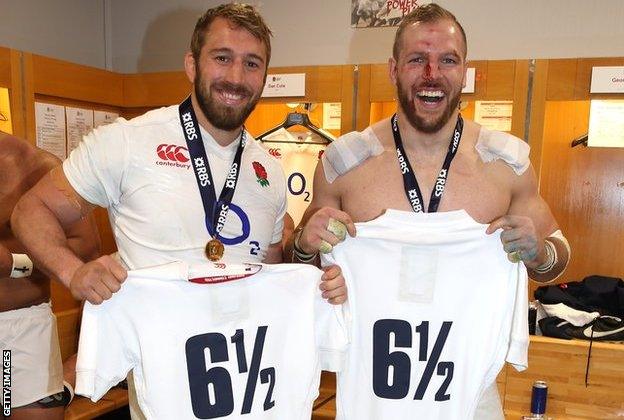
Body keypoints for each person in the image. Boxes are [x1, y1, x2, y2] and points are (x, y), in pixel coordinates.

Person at [12, 4, 346, 418]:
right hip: (168, 395)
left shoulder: (269, 171)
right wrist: (72, 272)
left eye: (252, 64)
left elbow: (275, 269)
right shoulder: (126, 143)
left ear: (264, 75)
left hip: (252, 391)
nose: (236, 77)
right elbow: (31, 210)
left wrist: (314, 271)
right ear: (192, 64)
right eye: (222, 58)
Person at [289, 3, 570, 418]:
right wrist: (305, 250)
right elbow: (303, 268)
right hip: (371, 392)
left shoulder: (505, 164)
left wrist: (538, 251)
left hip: (470, 396)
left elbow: (558, 258)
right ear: (393, 69)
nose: (432, 74)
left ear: (464, 70)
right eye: (417, 59)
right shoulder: (343, 164)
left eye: (447, 60)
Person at [1, 131, 100, 420]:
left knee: (10, 407)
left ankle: (67, 378)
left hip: (12, 334)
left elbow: (86, 251)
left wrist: (13, 263)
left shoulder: (33, 167)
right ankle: (65, 380)